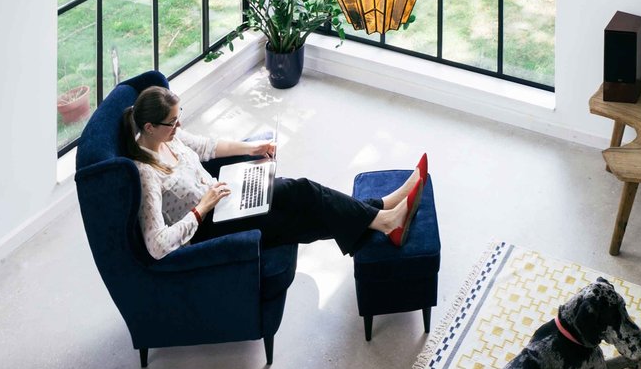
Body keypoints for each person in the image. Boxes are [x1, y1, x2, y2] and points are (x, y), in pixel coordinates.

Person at [121, 86, 426, 262]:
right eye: (172, 122)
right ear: (149, 127)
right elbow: (157, 245)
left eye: (179, 118)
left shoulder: (170, 138)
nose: (179, 127)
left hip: (226, 199)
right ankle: (382, 217)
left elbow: (208, 147)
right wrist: (202, 208)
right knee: (301, 203)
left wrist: (253, 148)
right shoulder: (146, 172)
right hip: (210, 228)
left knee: (301, 194)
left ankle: (382, 210)